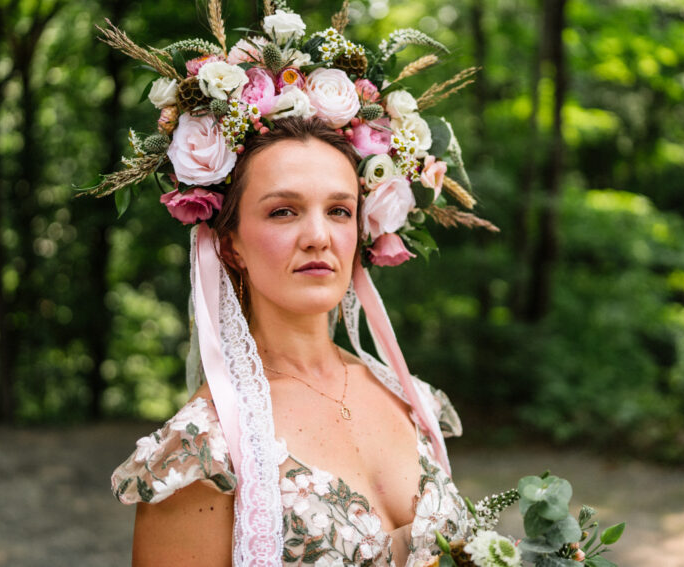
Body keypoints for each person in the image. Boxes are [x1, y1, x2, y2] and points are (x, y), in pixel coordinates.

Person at [92, 3, 497, 565]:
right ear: (229, 241)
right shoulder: (202, 453)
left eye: (338, 211)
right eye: (283, 212)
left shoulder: (408, 399)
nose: (318, 237)